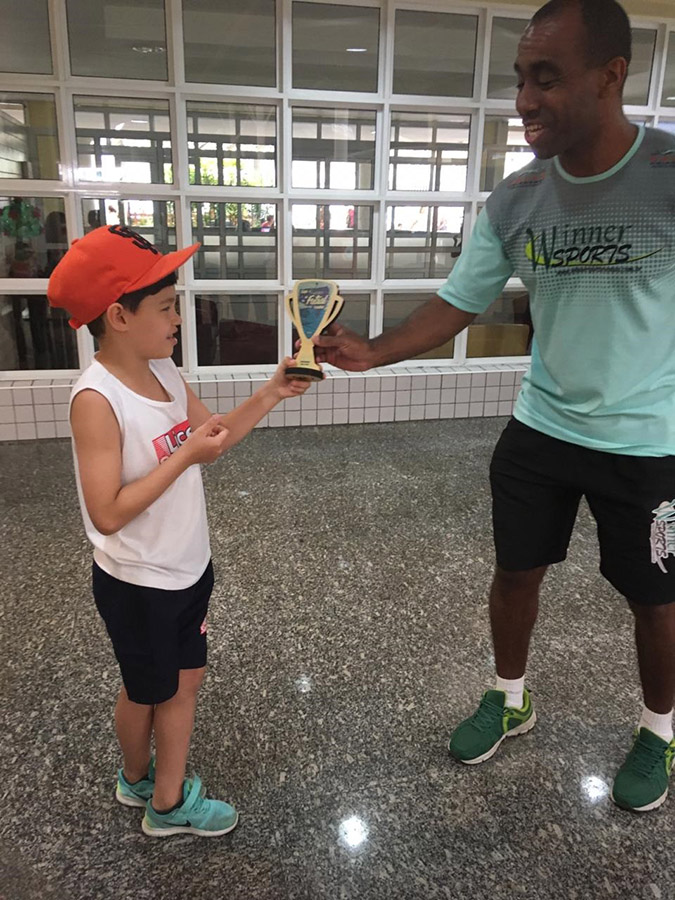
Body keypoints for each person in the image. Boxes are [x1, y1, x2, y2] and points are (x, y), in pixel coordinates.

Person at [311, 0, 675, 814]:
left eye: (546, 78)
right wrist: (372, 348)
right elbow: (457, 301)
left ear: (611, 76)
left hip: (649, 442)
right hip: (542, 428)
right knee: (514, 573)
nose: (523, 100)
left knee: (655, 598)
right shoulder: (515, 198)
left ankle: (659, 727)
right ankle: (509, 696)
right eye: (519, 79)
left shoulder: (666, 178)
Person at [47, 225, 312, 837]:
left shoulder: (163, 371)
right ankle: (161, 803)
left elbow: (210, 442)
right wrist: (183, 457)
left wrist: (273, 390)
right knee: (150, 690)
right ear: (117, 315)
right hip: (140, 581)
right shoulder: (97, 399)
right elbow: (107, 512)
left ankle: (140, 781)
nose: (178, 319)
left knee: (179, 680)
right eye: (166, 307)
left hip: (187, 565)